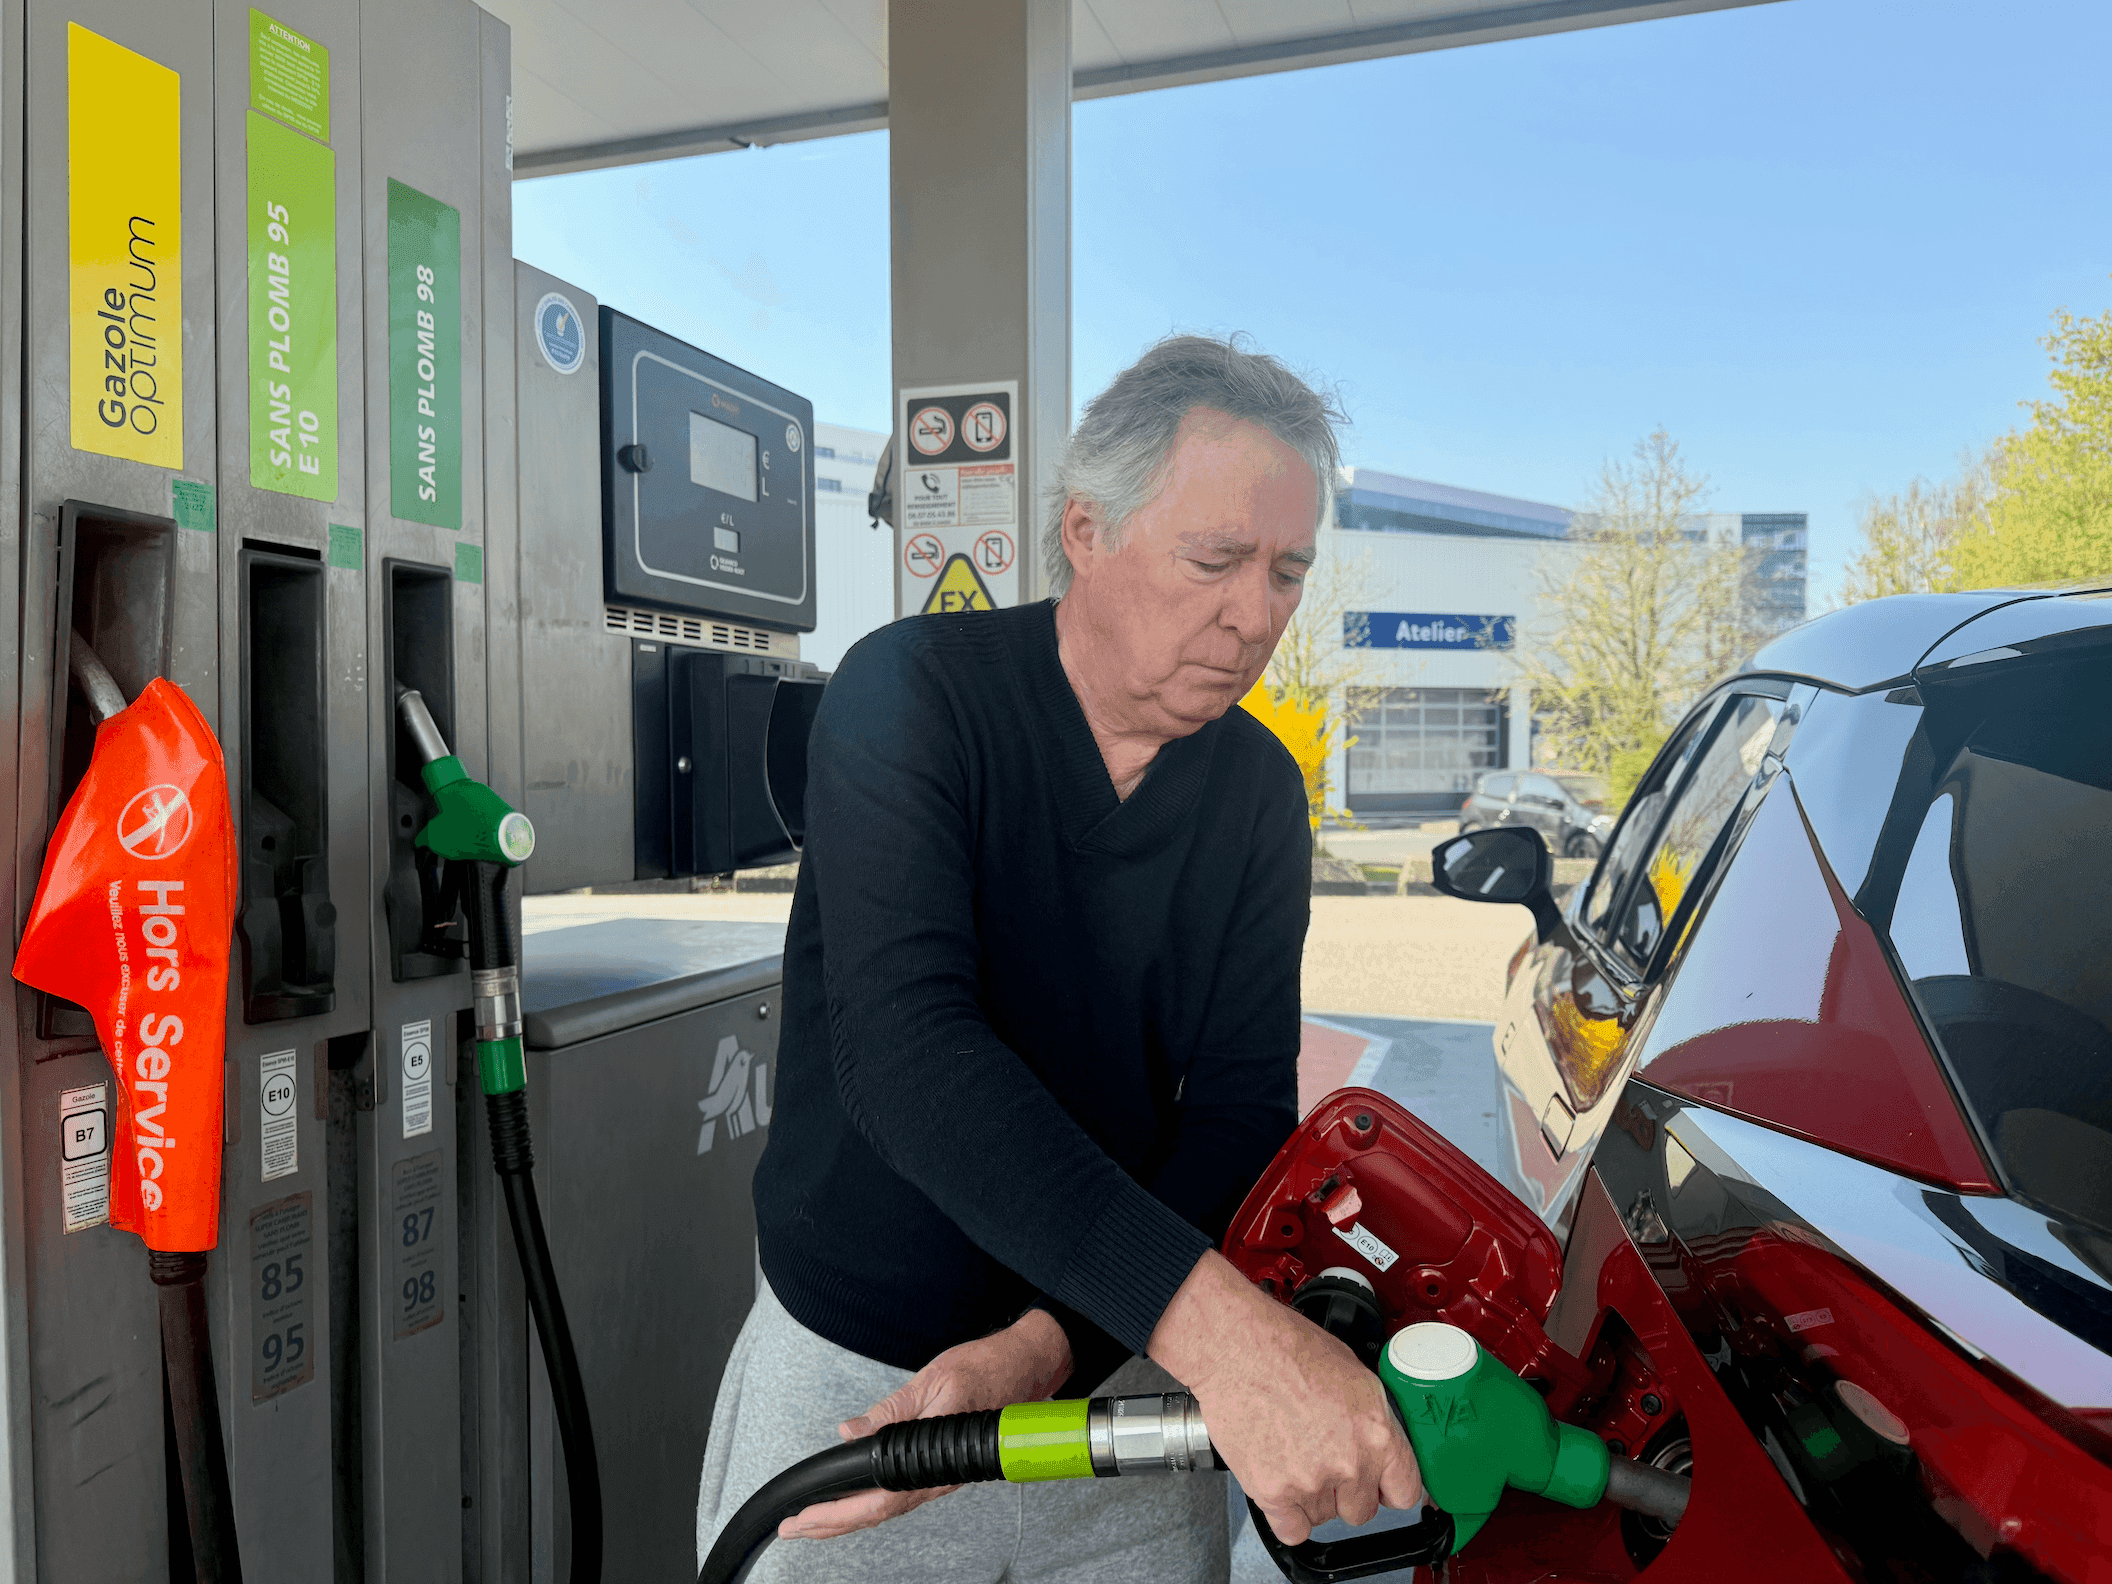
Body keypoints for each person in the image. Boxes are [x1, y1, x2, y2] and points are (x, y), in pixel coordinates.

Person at [697, 335, 1423, 1582]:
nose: (1255, 616)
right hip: (862, 1394)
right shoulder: (912, 696)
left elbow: (1239, 1112)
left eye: (1288, 573)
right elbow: (911, 1057)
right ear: (1086, 530)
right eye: (1216, 559)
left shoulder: (1255, 792)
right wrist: (1232, 1340)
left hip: (1116, 1403)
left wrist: (1053, 1346)